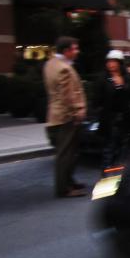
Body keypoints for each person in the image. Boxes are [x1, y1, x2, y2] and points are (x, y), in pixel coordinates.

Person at [43, 36, 87, 198]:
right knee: (66, 153)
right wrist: (77, 112)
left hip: (57, 114)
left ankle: (69, 181)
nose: (77, 51)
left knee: (67, 152)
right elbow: (67, 96)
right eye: (75, 48)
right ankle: (64, 188)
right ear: (67, 51)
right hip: (65, 117)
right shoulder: (64, 68)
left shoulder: (50, 64)